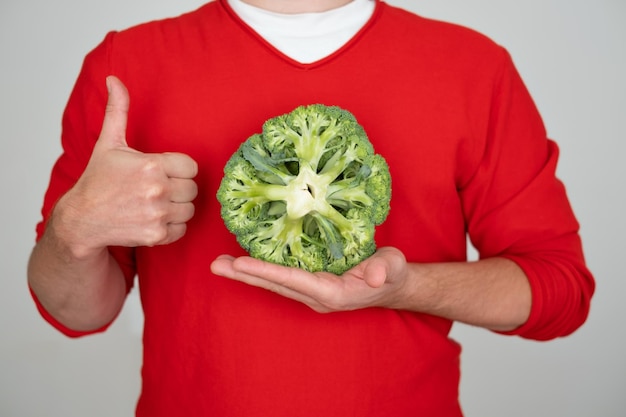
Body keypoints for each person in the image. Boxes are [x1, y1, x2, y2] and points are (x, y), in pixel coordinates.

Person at [27, 0, 595, 415]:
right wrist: (73, 230)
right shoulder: (127, 63)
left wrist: (404, 288)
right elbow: (80, 314)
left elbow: (559, 291)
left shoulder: (474, 66)